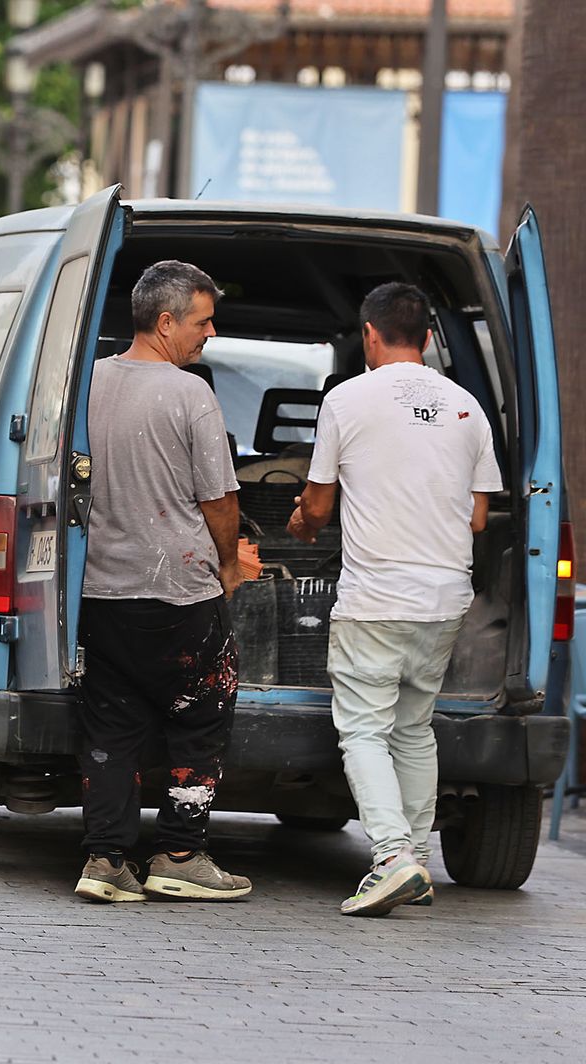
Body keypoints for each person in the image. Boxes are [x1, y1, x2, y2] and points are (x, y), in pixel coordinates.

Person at [288, 282, 502, 917]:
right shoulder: (468, 408)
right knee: (413, 729)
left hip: (376, 596)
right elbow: (479, 518)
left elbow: (319, 506)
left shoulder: (347, 400)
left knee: (362, 730)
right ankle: (417, 861)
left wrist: (301, 522)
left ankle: (391, 857)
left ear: (369, 335)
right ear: (430, 338)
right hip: (444, 597)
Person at [75, 259, 252, 905]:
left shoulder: (85, 385)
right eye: (202, 321)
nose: (209, 333)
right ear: (166, 320)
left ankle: (106, 857)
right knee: (200, 716)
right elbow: (219, 498)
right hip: (179, 593)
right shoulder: (189, 393)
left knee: (112, 725)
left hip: (100, 593)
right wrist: (230, 564)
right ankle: (180, 850)